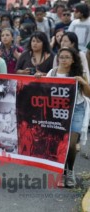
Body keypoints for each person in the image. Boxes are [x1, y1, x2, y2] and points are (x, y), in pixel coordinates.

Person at [41, 47, 90, 187]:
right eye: (61, 57)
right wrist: (39, 79)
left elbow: (88, 94)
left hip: (76, 109)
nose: (64, 60)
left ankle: (70, 171)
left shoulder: (81, 73)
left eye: (67, 57)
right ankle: (62, 172)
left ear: (73, 59)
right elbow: (43, 90)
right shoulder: (53, 72)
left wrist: (83, 82)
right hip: (57, 111)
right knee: (60, 142)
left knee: (72, 142)